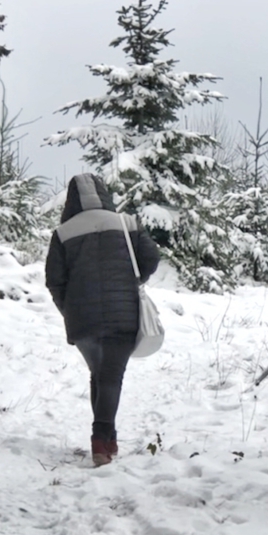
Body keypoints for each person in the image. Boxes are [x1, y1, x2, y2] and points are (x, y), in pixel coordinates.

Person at [45, 173, 161, 466]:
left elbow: (54, 281)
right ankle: (101, 441)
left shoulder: (63, 233)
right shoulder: (127, 223)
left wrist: (67, 308)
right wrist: (134, 280)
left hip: (82, 318)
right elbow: (151, 258)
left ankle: (108, 439)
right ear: (104, 194)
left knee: (101, 374)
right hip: (123, 312)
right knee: (111, 376)